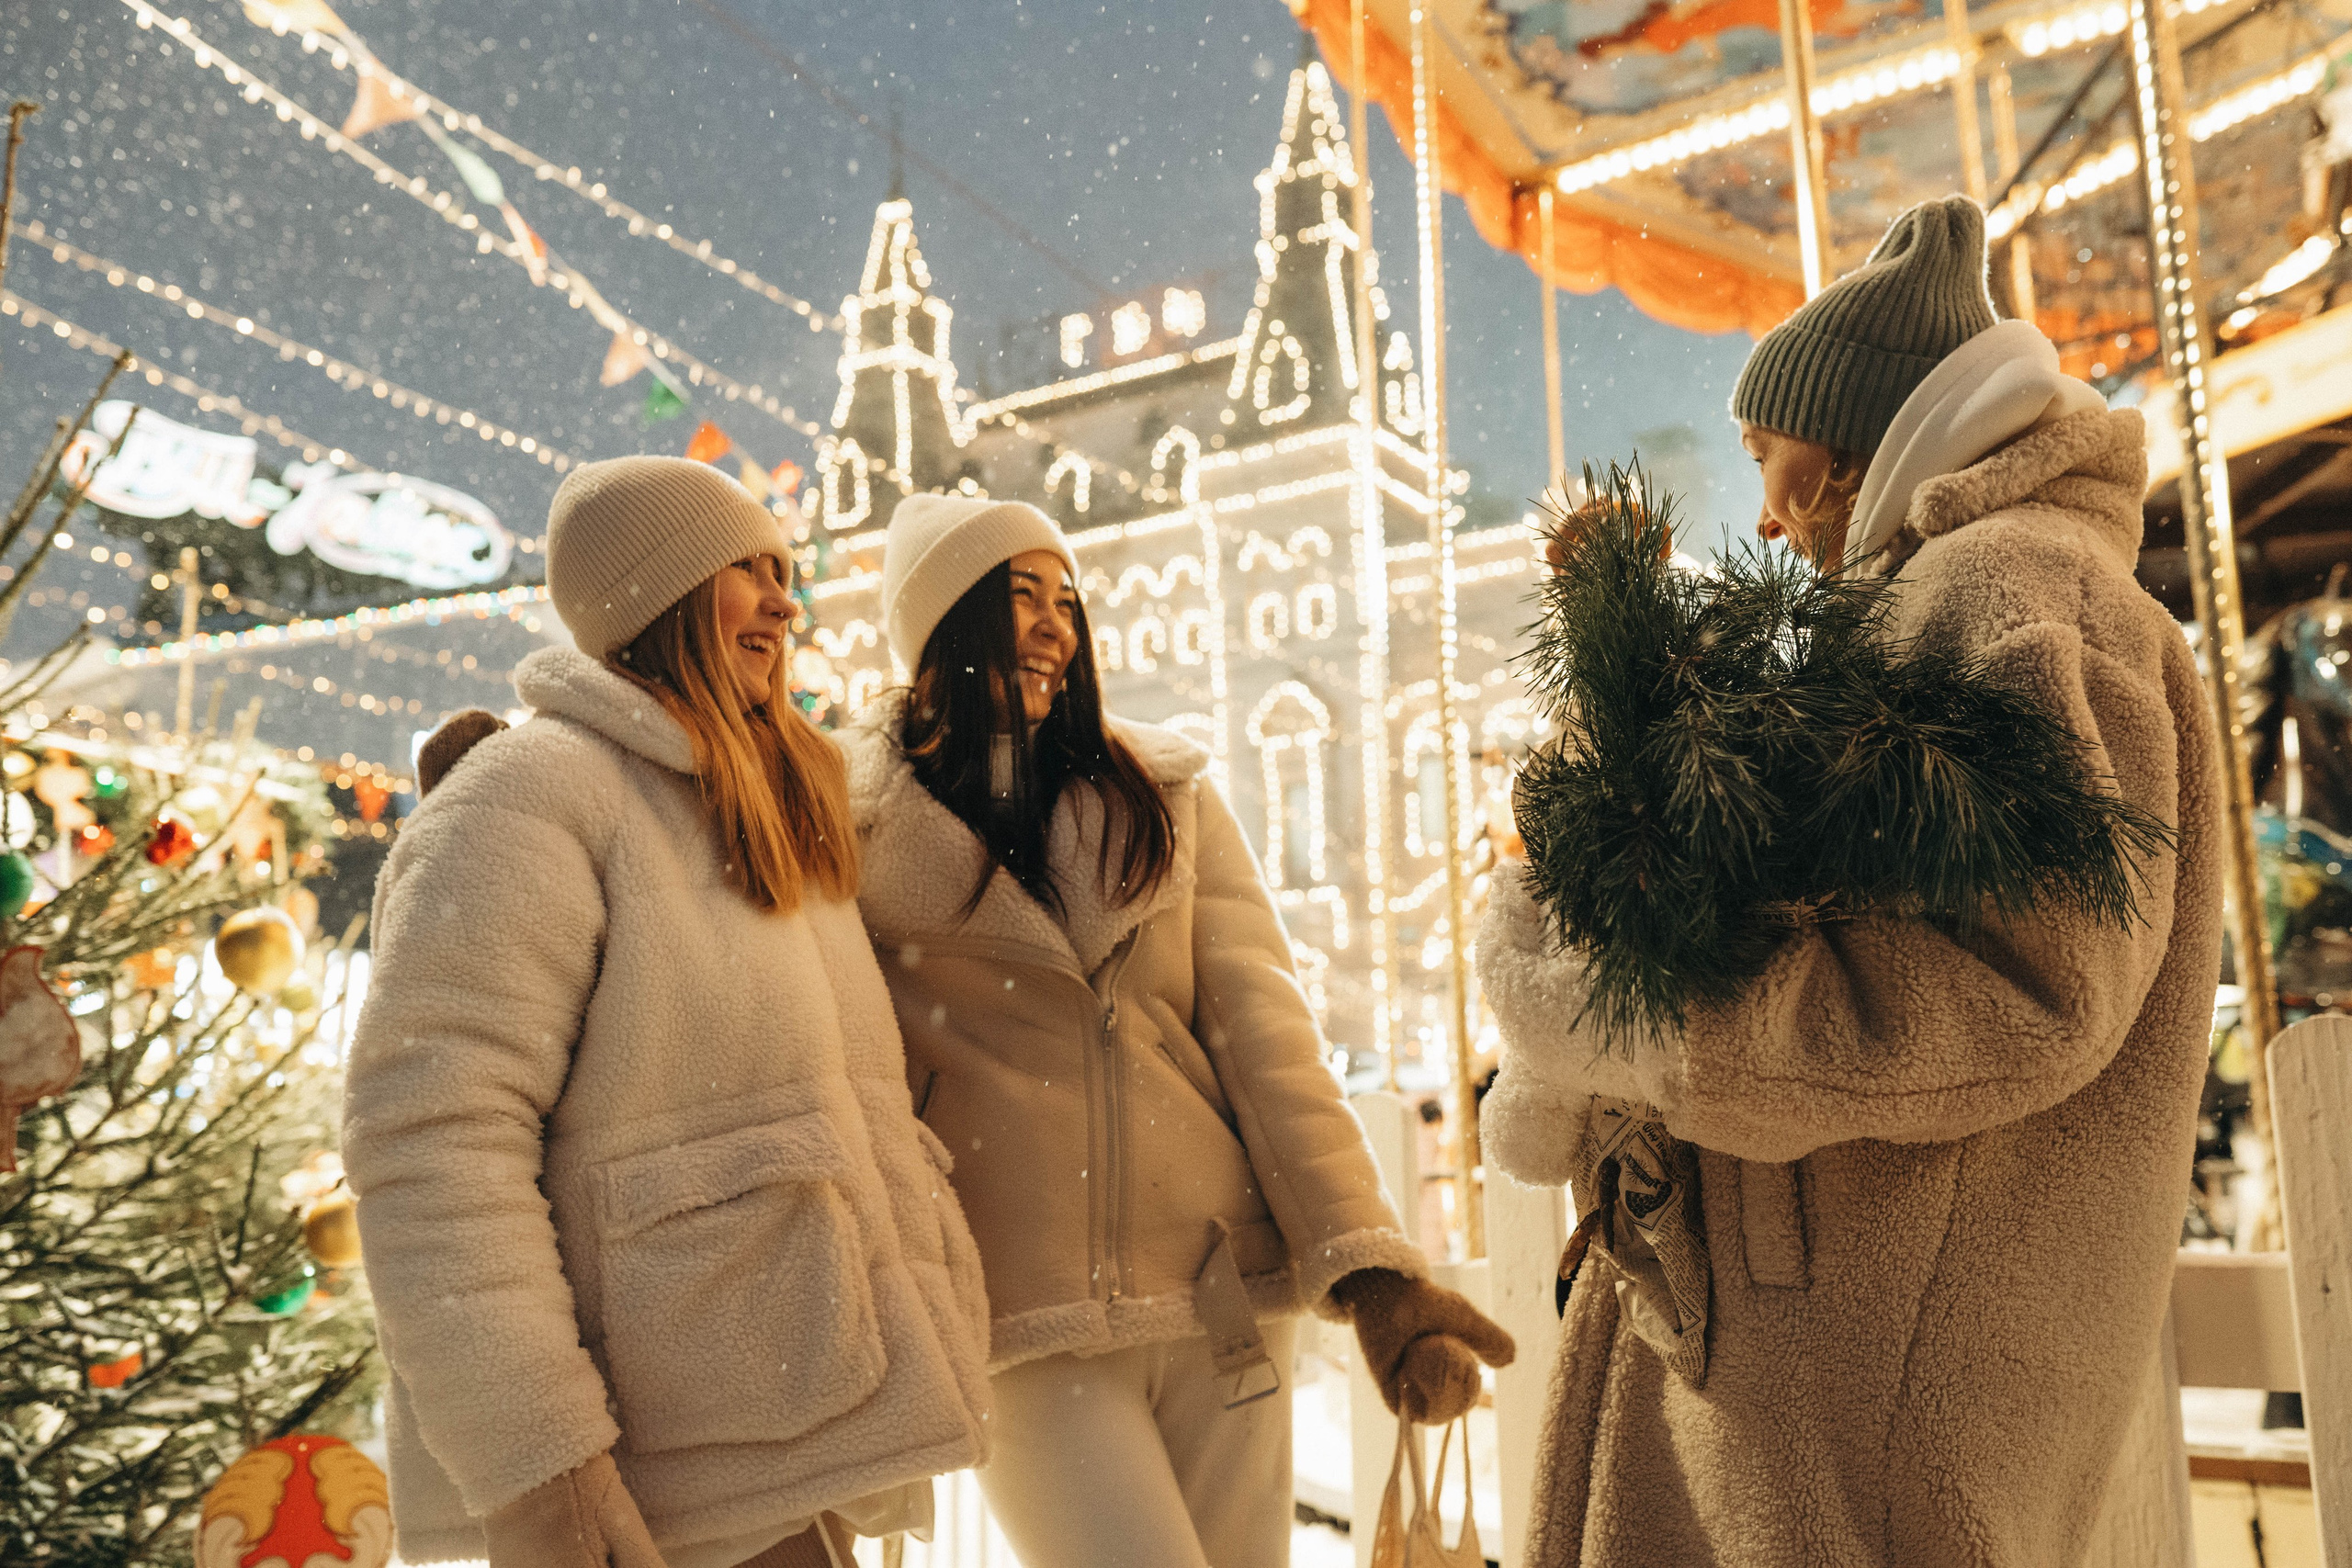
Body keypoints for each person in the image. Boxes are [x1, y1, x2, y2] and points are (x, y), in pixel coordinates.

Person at [1476, 197, 2223, 1566]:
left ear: (1861, 436)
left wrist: (1668, 1030)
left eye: (1775, 456)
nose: (1764, 511)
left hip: (1864, 1391)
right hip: (1814, 1359)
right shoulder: (1933, 599)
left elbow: (2029, 979)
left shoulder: (2016, 587)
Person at [836, 495, 1515, 1568]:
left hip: (1220, 1296)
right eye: (1019, 597)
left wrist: (1372, 1275)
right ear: (941, 626)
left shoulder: (1163, 798)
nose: (1057, 624)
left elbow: (1269, 1047)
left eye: (1067, 599)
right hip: (1020, 1315)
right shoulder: (850, 827)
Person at [343, 457, 991, 1568]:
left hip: (782, 1417)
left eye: (785, 573)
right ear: (660, 595)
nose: (788, 603)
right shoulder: (532, 797)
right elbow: (433, 1148)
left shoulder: (763, 807)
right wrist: (540, 1463)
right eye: (747, 572)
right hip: (650, 1472)